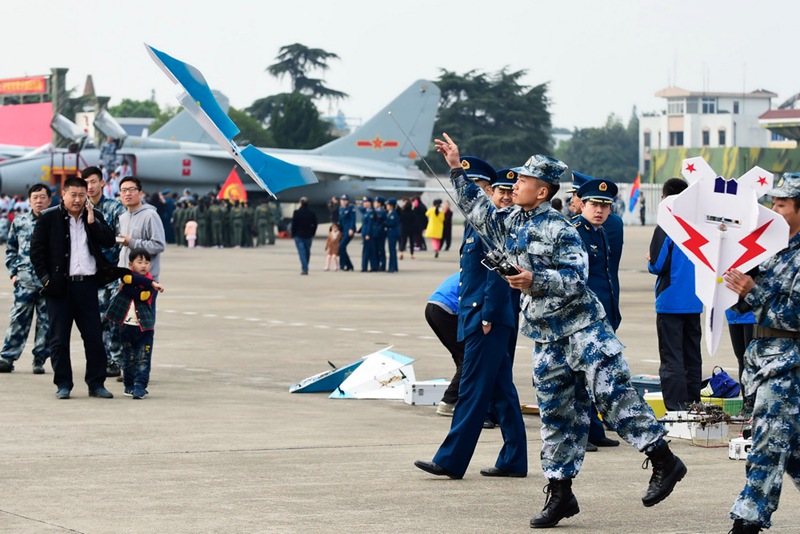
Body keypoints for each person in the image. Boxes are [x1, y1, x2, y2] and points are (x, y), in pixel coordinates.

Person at [435, 134, 686, 529]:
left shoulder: (561, 229)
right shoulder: (510, 221)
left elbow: (575, 278)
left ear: (542, 191)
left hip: (584, 329)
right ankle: (560, 492)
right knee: (556, 414)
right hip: (547, 335)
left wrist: (536, 278)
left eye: (524, 180)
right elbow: (478, 211)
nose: (515, 184)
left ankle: (664, 460)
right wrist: (455, 167)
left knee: (612, 395)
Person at [415, 156, 527, 481]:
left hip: (486, 318)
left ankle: (451, 459)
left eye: (480, 187)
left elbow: (498, 270)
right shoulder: (475, 222)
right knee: (502, 391)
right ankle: (514, 459)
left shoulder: (497, 223)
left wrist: (489, 313)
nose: (475, 193)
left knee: (473, 389)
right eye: (493, 190)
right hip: (477, 315)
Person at [724, 172, 800, 533]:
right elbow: (751, 301)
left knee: (767, 445)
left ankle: (747, 521)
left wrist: (752, 292)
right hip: (763, 359)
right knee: (795, 451)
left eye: (782, 205)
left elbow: (795, 315)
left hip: (789, 365)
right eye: (773, 202)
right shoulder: (774, 248)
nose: (773, 209)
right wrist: (733, 290)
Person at [30, 176, 120, 399]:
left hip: (87, 286)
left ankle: (96, 384)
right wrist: (46, 280)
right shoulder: (49, 218)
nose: (78, 199)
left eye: (82, 195)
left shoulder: (94, 216)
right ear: (63, 194)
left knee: (94, 338)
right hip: (59, 288)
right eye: (74, 194)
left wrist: (93, 222)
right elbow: (36, 252)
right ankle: (63, 384)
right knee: (59, 340)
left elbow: (109, 240)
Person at [573, 176, 624, 449]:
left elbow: (607, 278)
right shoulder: (575, 232)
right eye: (594, 204)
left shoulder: (600, 232)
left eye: (605, 205)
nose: (600, 210)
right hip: (583, 318)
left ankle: (594, 430)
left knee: (596, 376)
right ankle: (581, 433)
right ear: (581, 204)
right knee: (581, 377)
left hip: (603, 315)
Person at [647, 178, 702, 411]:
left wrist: (650, 262)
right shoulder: (699, 225)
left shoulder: (667, 225)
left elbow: (657, 265)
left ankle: (677, 408)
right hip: (695, 300)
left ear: (665, 198)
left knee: (672, 358)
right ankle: (694, 403)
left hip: (670, 301)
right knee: (692, 355)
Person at [0, 184, 52, 374]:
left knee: (46, 324)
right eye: (35, 197)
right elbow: (11, 249)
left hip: (48, 283)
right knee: (18, 319)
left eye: (42, 197)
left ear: (49, 199)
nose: (39, 201)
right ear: (29, 200)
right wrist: (13, 273)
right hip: (24, 282)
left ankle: (39, 360)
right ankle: (7, 358)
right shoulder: (20, 222)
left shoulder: (55, 223)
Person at [82, 165, 127, 378]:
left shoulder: (115, 209)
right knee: (96, 321)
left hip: (112, 273)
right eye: (86, 183)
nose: (90, 187)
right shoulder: (78, 208)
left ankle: (119, 361)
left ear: (102, 183)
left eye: (93, 182)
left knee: (114, 319)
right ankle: (106, 360)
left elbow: (122, 239)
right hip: (91, 274)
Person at [104, 248, 164, 400]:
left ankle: (140, 386)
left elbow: (142, 294)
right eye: (140, 262)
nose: (144, 265)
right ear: (131, 265)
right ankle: (129, 385)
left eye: (147, 262)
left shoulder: (151, 285)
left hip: (144, 328)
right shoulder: (129, 278)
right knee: (128, 359)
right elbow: (130, 282)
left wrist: (151, 284)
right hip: (126, 327)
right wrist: (150, 283)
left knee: (143, 358)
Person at [424, 272, 463, 416]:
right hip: (447, 310)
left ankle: (458, 398)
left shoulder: (472, 265)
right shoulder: (488, 271)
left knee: (461, 358)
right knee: (469, 359)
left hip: (434, 306)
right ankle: (448, 402)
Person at [726, 309, 756, 415]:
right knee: (741, 360)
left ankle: (753, 402)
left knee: (751, 360)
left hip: (752, 316)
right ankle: (746, 403)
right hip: (732, 315)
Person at [290, 197, 318, 275]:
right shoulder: (312, 213)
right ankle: (305, 266)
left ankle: (305, 268)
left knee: (302, 253)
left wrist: (293, 234)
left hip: (298, 236)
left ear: (300, 203)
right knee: (307, 252)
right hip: (308, 236)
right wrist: (313, 233)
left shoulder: (296, 212)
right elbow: (315, 224)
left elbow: (294, 224)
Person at [338, 194, 356, 271]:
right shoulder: (341, 209)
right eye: (342, 200)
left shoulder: (351, 208)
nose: (343, 201)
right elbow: (341, 221)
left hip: (349, 230)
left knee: (341, 247)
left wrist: (351, 229)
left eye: (345, 200)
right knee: (342, 248)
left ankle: (347, 265)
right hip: (343, 230)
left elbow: (353, 219)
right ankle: (346, 265)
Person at [358, 196, 376, 272]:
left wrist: (368, 234)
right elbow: (361, 209)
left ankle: (364, 267)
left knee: (366, 251)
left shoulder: (371, 212)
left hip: (368, 234)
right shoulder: (366, 211)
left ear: (369, 203)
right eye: (363, 202)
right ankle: (373, 266)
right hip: (365, 233)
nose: (364, 203)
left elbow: (370, 224)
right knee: (370, 251)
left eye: (365, 202)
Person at [384, 198, 400, 272]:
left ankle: (392, 267)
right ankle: (393, 266)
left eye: (388, 205)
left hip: (393, 233)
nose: (387, 206)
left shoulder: (393, 213)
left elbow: (391, 223)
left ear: (391, 206)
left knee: (392, 251)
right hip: (390, 233)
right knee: (391, 251)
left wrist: (384, 223)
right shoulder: (389, 213)